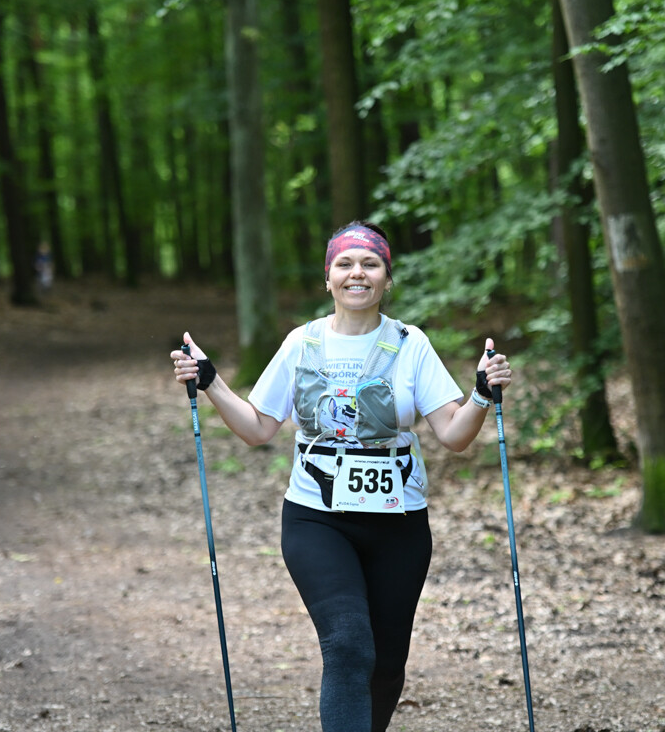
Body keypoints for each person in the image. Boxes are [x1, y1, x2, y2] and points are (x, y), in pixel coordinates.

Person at [170, 221, 513, 732]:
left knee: (387, 664)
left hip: (399, 523)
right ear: (327, 278)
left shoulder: (410, 343)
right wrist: (212, 382)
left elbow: (454, 435)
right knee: (349, 645)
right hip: (316, 519)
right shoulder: (301, 343)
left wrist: (483, 393)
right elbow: (259, 428)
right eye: (345, 264)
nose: (358, 273)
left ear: (387, 279)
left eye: (370, 264)